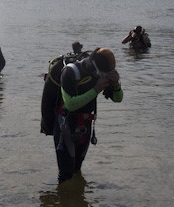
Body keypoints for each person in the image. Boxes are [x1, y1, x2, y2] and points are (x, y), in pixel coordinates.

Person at [52, 47, 123, 183]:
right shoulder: (70, 72)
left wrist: (115, 85)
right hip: (65, 124)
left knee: (77, 169)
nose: (104, 76)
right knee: (66, 173)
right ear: (96, 67)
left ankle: (76, 197)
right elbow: (70, 104)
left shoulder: (101, 75)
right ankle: (65, 201)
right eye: (104, 73)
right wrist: (96, 89)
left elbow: (118, 99)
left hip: (85, 125)